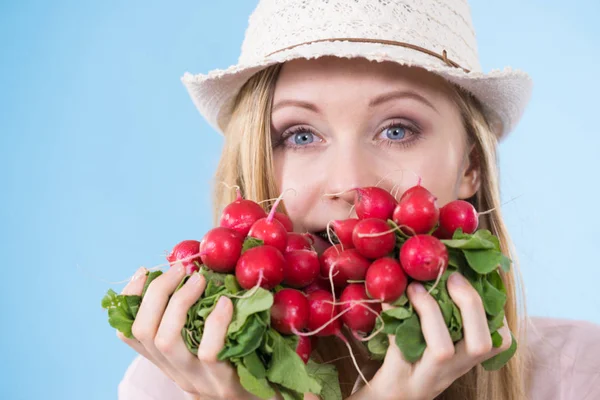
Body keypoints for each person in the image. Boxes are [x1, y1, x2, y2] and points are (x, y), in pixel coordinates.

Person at [115, 1, 600, 399]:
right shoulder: (164, 388)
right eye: (301, 136)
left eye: (397, 130)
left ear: (470, 166)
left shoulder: (581, 374)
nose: (349, 184)